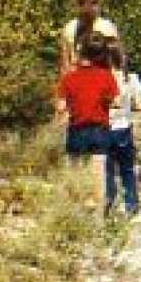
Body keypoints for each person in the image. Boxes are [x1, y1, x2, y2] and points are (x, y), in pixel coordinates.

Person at [57, 33, 119, 210]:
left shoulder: (69, 78)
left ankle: (71, 209)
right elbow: (115, 102)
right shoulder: (106, 77)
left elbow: (61, 107)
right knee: (98, 174)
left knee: (74, 171)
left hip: (77, 128)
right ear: (100, 55)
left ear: (81, 51)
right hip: (99, 129)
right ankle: (98, 214)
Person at [104, 53, 141, 216]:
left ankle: (109, 203)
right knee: (127, 169)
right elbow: (139, 106)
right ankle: (132, 204)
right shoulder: (132, 79)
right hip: (124, 129)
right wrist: (128, 109)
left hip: (105, 129)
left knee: (107, 170)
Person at [59, 0, 119, 77]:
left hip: (103, 85)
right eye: (83, 3)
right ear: (78, 4)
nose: (89, 8)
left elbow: (116, 61)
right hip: (78, 86)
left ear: (99, 3)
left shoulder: (108, 27)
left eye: (94, 3)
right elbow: (65, 65)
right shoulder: (69, 29)